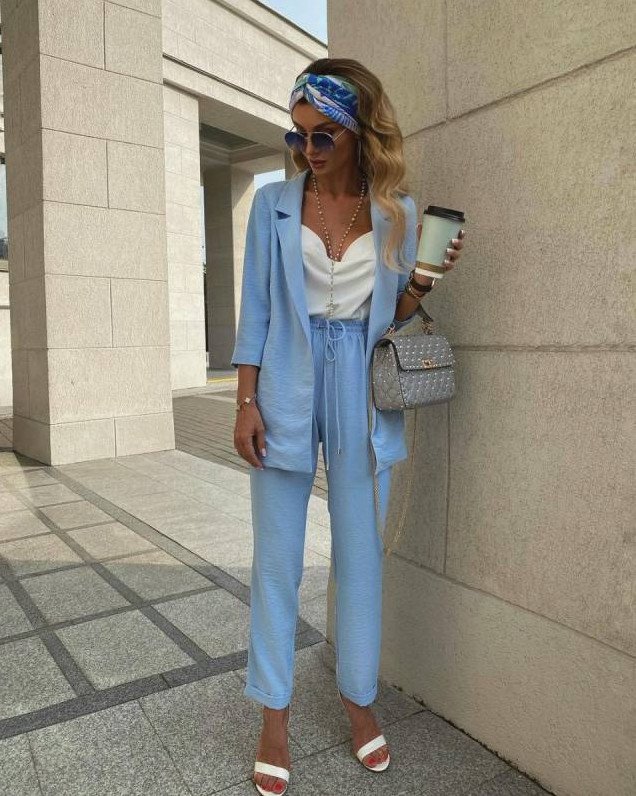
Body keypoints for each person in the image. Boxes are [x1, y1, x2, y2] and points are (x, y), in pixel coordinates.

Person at [231, 58, 465, 796]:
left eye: (323, 135)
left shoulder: (398, 212)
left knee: (361, 555)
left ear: (361, 131)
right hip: (285, 384)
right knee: (276, 559)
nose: (308, 149)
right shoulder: (272, 205)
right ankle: (273, 713)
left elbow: (393, 316)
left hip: (362, 390)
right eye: (296, 135)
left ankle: (359, 699)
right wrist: (245, 402)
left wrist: (423, 278)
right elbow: (256, 310)